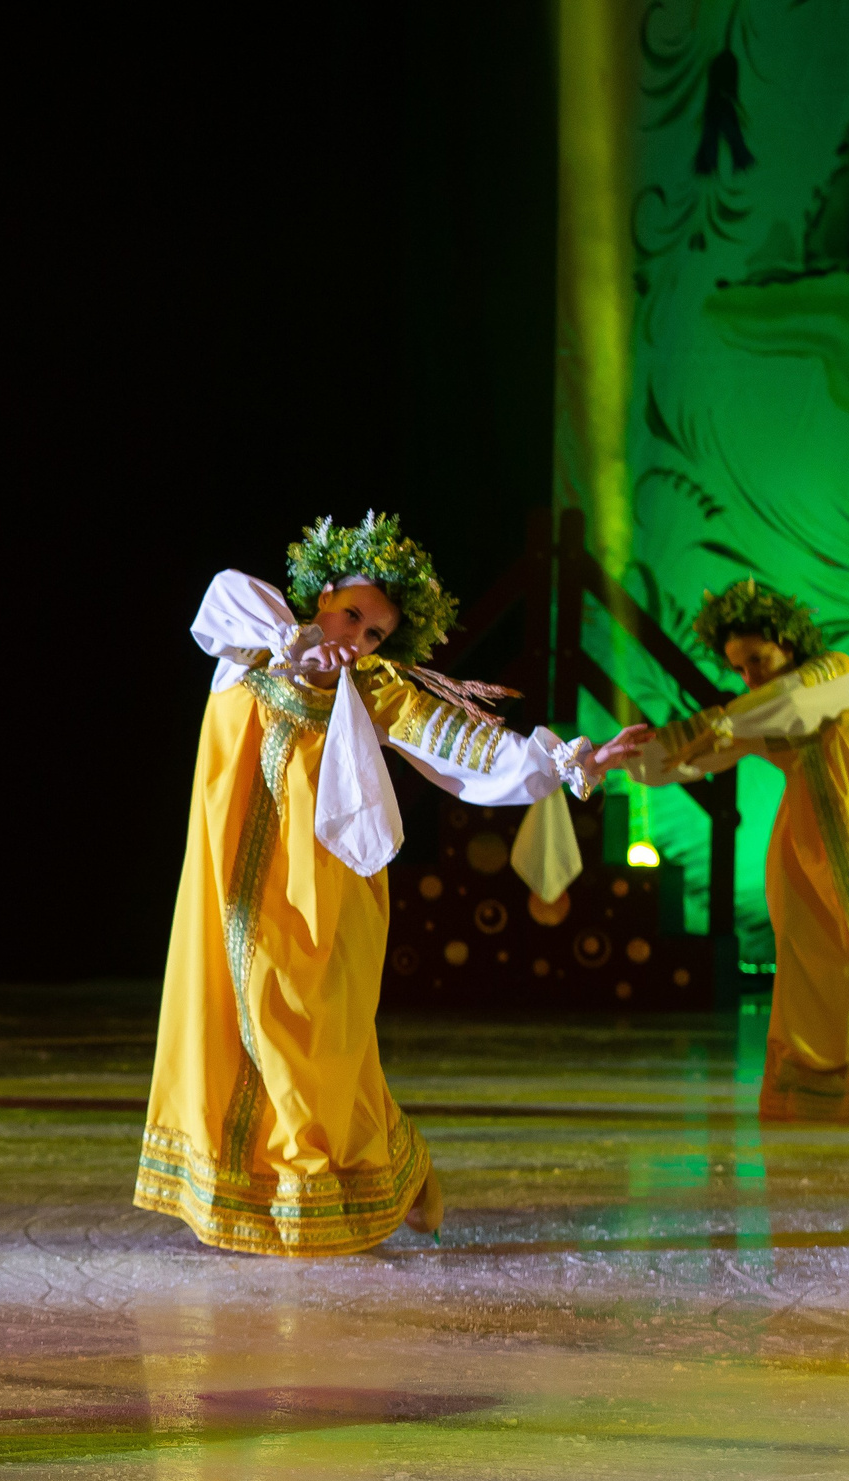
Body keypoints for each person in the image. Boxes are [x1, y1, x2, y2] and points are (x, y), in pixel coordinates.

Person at [139, 514, 649, 1255]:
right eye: (351, 614)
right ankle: (293, 1180)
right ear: (319, 594)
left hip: (321, 896)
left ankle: (360, 1174)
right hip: (229, 889)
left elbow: (463, 746)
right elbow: (218, 601)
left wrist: (568, 761)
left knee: (303, 1031)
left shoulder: (373, 689)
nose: (357, 638)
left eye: (375, 634)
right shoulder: (256, 636)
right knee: (236, 1021)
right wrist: (292, 642)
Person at [630, 579, 849, 1121]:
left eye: (757, 659)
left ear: (787, 642)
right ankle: (816, 1082)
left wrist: (714, 722)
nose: (750, 677)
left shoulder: (835, 672)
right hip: (810, 844)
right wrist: (617, 761)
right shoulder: (755, 709)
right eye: (739, 669)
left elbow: (787, 708)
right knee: (808, 954)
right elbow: (695, 758)